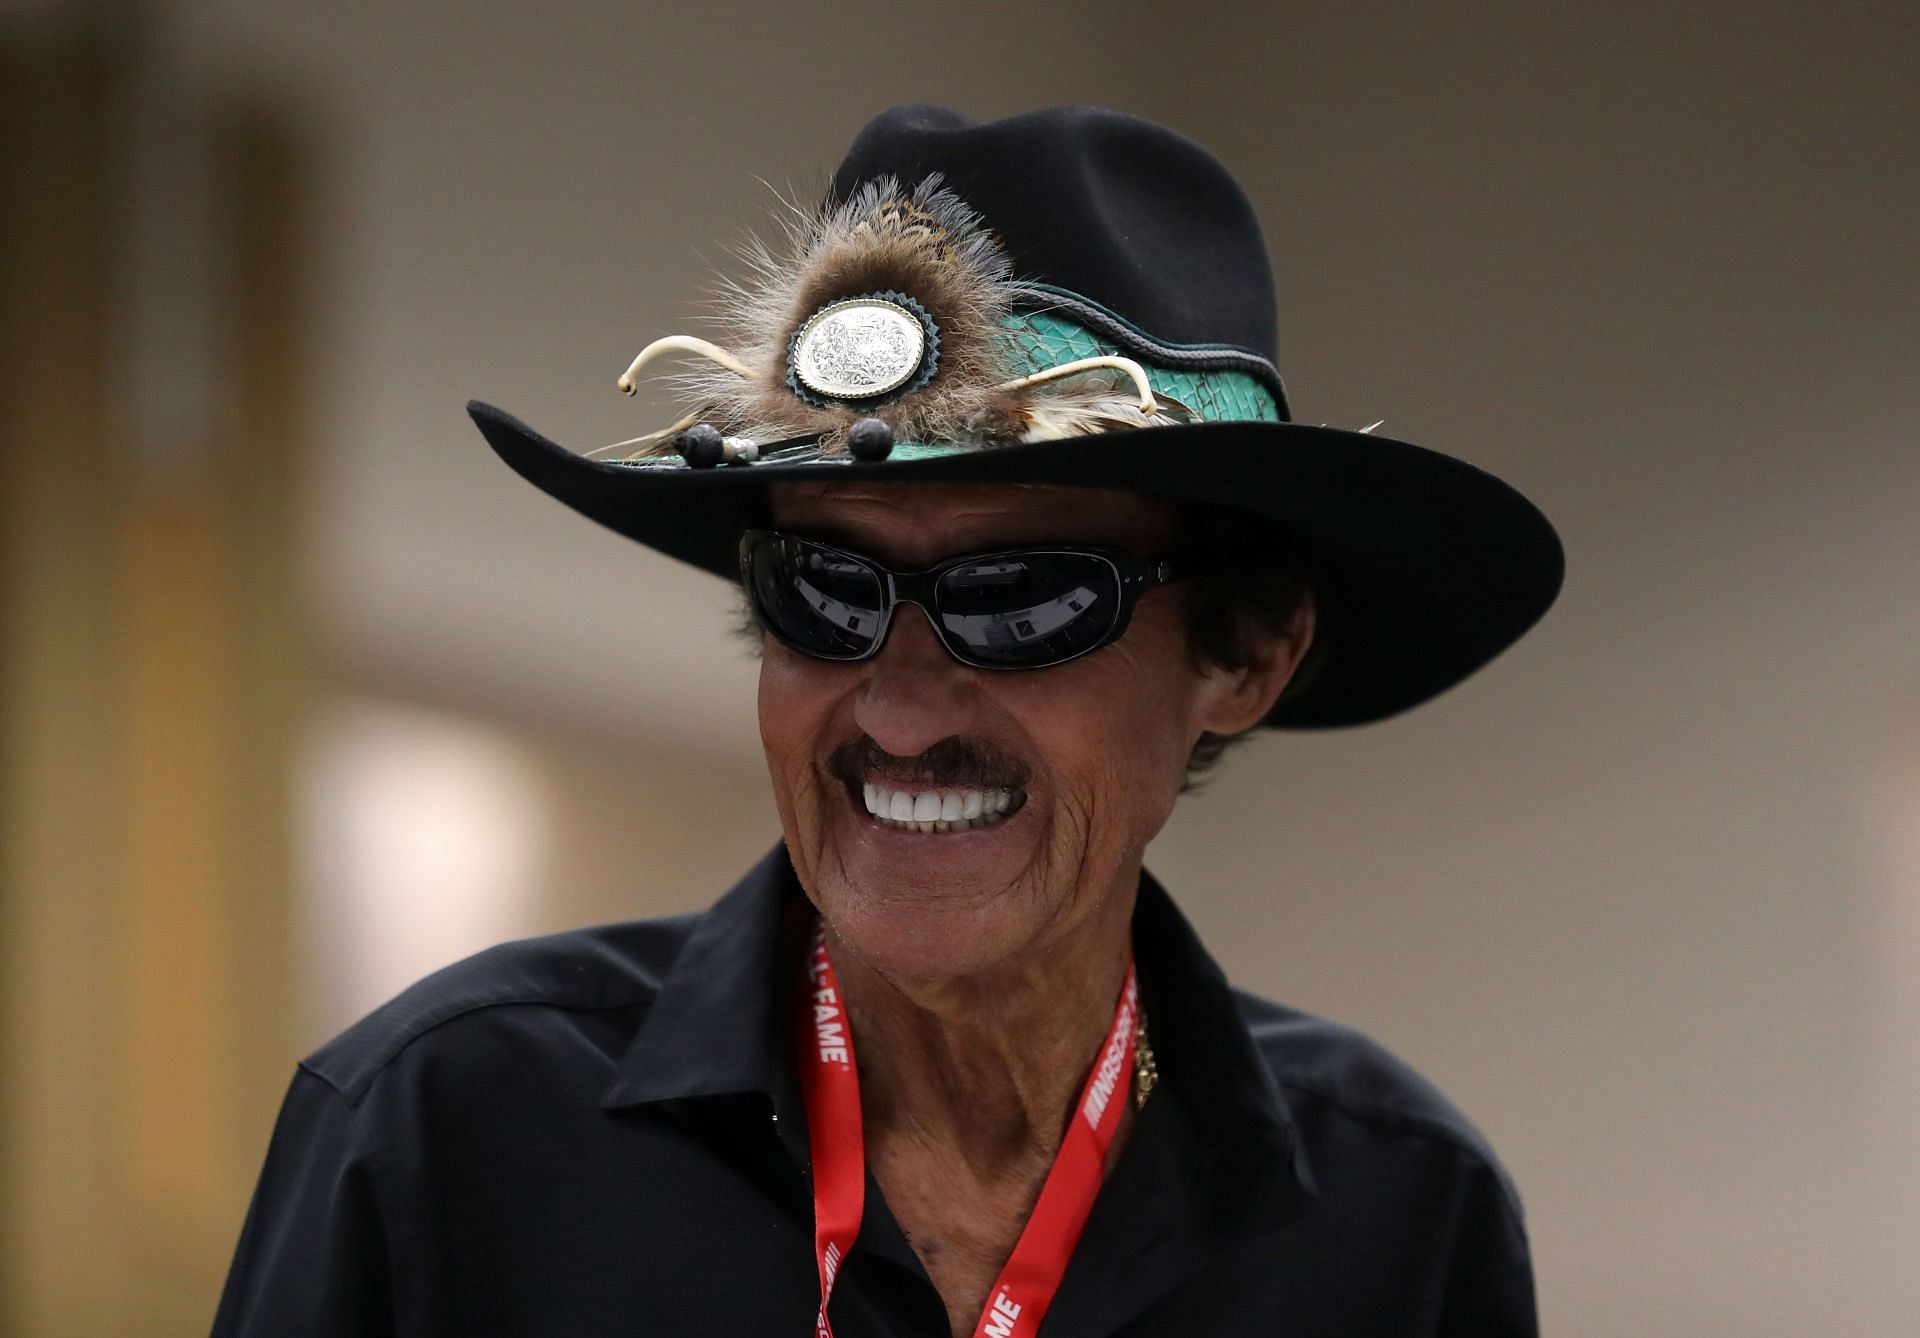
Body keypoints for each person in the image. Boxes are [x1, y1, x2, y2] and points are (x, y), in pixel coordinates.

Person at [213, 105, 1562, 1337]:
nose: (902, 711)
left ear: (1247, 651)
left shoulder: (1394, 1220)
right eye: (824, 590)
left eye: (1023, 598)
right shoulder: (446, 1139)